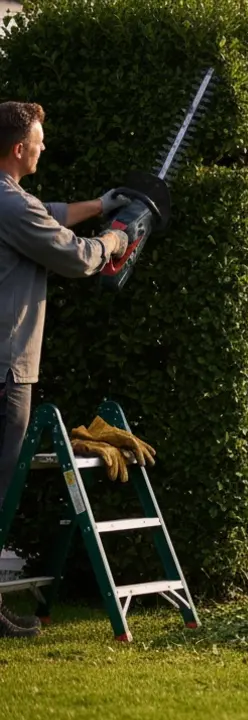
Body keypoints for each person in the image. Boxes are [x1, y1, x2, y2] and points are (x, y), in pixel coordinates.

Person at [0, 101, 132, 638]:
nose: (43, 146)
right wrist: (117, 239)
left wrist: (101, 204)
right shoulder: (8, 202)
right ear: (17, 148)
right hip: (6, 367)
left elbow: (47, 212)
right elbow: (75, 255)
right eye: (38, 139)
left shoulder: (9, 200)